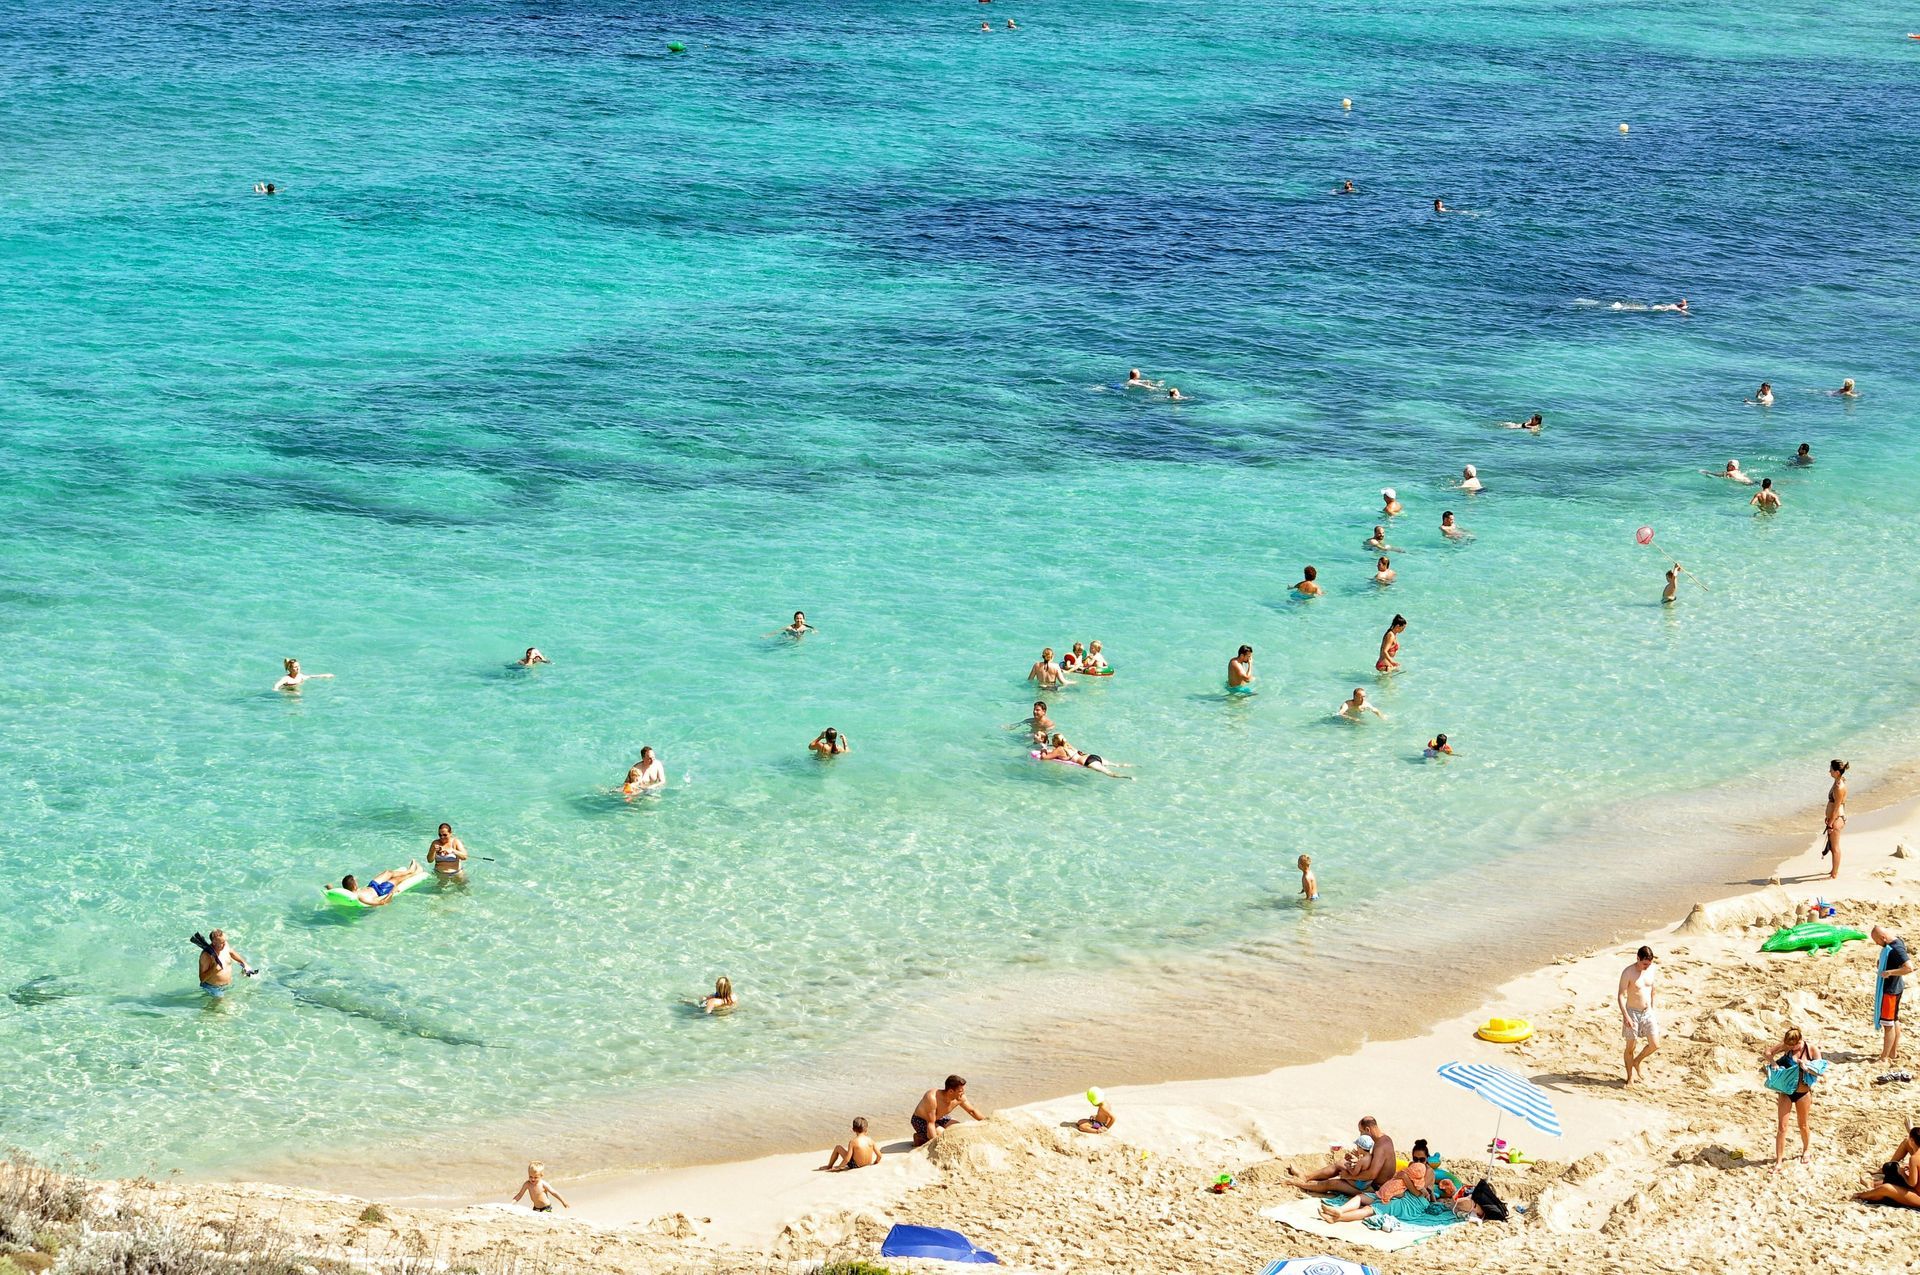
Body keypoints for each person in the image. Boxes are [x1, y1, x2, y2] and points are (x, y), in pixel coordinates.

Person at [1761, 1026, 1822, 1173]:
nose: (1790, 1048)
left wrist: (1805, 1066)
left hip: (1803, 1092)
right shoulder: (1786, 1045)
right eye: (1787, 1045)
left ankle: (1806, 1150)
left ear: (1799, 1041)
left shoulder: (1811, 1049)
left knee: (1803, 1125)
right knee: (1782, 1127)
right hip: (1786, 1092)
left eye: (1792, 1046)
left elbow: (1820, 1069)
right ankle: (1779, 1161)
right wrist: (1774, 1063)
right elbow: (1767, 1053)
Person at [1291, 1117, 1395, 1195]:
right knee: (1341, 1163)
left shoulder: (1381, 1147)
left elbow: (1371, 1174)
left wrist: (1348, 1176)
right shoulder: (1383, 1139)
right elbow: (1372, 1162)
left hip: (1374, 1188)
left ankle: (1300, 1184)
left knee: (1333, 1183)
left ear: (1368, 1130)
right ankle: (1306, 1177)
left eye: (1361, 1132)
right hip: (1369, 1181)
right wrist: (1356, 1160)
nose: (1360, 1135)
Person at [1618, 946, 1660, 1085]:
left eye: (1649, 963)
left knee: (1655, 1045)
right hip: (1632, 1013)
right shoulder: (1628, 973)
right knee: (1631, 1047)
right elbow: (1621, 996)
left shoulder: (1652, 969)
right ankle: (1630, 1077)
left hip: (1647, 1012)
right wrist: (1626, 1016)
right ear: (1637, 958)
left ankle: (1637, 1061)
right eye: (1644, 964)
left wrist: (1653, 1009)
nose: (1647, 967)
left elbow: (1653, 990)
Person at [1872, 925, 1912, 1065]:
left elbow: (1908, 968)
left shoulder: (1896, 949)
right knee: (1894, 1020)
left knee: (1888, 1024)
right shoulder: (1896, 940)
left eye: (1877, 941)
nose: (1877, 944)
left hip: (1890, 991)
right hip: (1896, 988)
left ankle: (1884, 1057)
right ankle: (1893, 1053)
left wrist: (1889, 972)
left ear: (1883, 938)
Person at [911, 1075, 983, 1146]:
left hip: (940, 1117)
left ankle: (927, 1136)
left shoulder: (960, 1097)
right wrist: (935, 1145)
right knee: (943, 1135)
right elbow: (931, 1123)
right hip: (921, 1120)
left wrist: (988, 1121)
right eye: (960, 1091)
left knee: (960, 1130)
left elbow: (972, 1111)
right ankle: (920, 1138)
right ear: (951, 1091)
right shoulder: (932, 1098)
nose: (963, 1093)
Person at [1038, 733, 1132, 779]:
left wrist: (1043, 747)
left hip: (1088, 762)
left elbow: (1044, 758)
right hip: (1092, 756)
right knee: (1117, 765)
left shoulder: (1059, 749)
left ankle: (1128, 777)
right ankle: (1132, 766)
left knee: (1111, 774)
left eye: (1053, 741)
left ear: (1056, 742)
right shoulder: (1067, 745)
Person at [335, 862, 426, 907]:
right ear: (354, 885)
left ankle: (409, 870)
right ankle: (416, 873)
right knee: (396, 879)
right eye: (355, 881)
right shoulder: (361, 897)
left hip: (371, 886)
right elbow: (382, 903)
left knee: (388, 872)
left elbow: (336, 891)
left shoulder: (351, 890)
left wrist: (329, 888)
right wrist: (392, 892)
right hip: (380, 890)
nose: (357, 881)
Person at [196, 929, 256, 997]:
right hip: (212, 987)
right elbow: (202, 978)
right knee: (221, 1004)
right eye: (221, 942)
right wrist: (214, 969)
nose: (225, 944)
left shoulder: (225, 945)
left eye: (224, 941)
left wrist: (244, 963)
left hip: (227, 986)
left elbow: (232, 952)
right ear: (214, 943)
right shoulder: (206, 955)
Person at [1823, 759, 1847, 878]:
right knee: (1832, 847)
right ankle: (1833, 870)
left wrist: (1830, 823)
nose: (1829, 771)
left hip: (1837, 819)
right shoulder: (1838, 781)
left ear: (1837, 772)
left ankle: (1834, 873)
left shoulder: (1838, 787)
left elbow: (1837, 807)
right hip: (1834, 818)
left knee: (1835, 848)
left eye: (1831, 770)